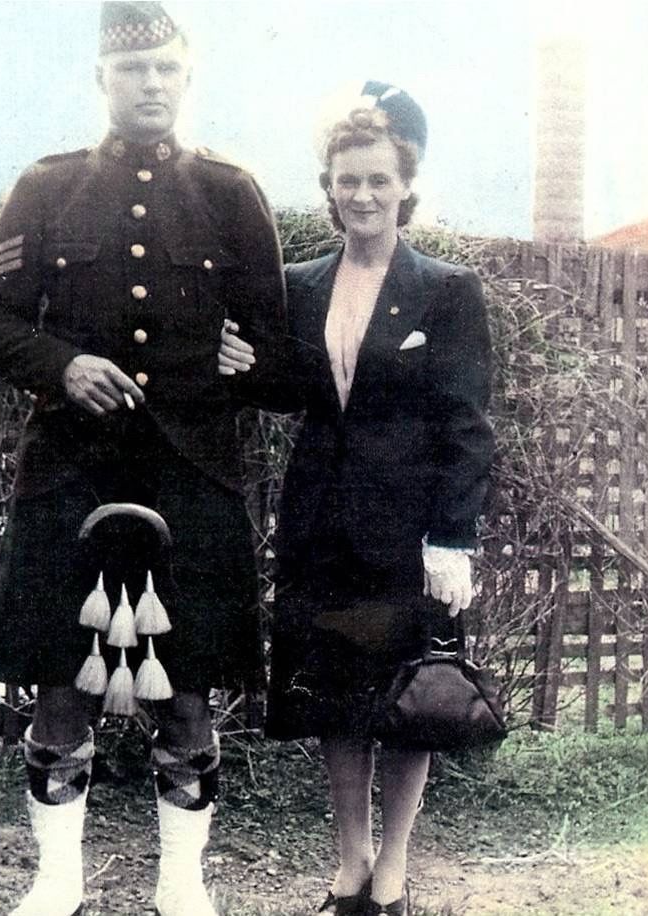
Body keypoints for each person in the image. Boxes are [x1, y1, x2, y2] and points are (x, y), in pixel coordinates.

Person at [0, 4, 285, 915]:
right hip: (71, 474)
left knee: (187, 693)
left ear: (188, 78)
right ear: (100, 81)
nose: (152, 83)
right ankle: (55, 880)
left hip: (193, 476)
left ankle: (181, 884)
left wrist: (248, 361)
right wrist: (63, 366)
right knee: (60, 692)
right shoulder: (46, 186)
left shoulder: (231, 192)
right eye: (134, 68)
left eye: (167, 69)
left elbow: (276, 347)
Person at [219, 82, 494, 916]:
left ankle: (398, 864)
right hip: (321, 525)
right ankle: (350, 861)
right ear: (329, 189)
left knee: (409, 697)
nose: (363, 195)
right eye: (348, 180)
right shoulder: (302, 284)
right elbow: (298, 388)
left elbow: (467, 424)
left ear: (405, 186)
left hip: (407, 533)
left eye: (378, 180)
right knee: (336, 695)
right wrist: (241, 364)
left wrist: (452, 540)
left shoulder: (447, 290)